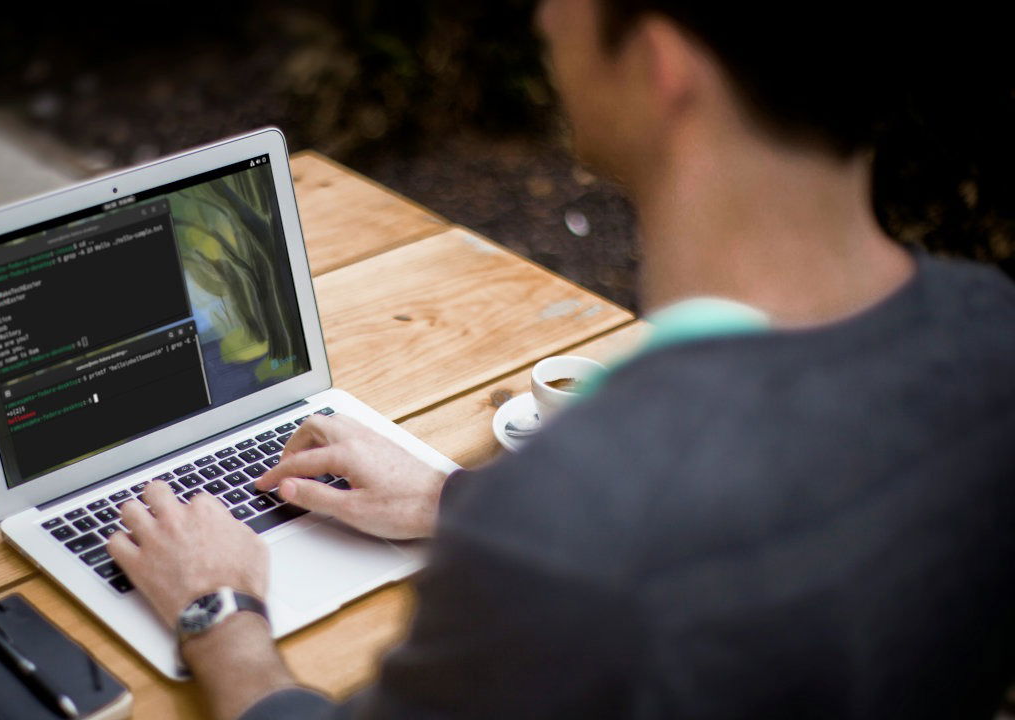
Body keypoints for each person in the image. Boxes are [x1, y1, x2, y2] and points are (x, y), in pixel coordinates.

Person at [106, 0, 1015, 717]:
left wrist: (219, 612)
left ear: (663, 68)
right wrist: (454, 500)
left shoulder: (577, 528)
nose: (543, 17)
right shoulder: (991, 339)